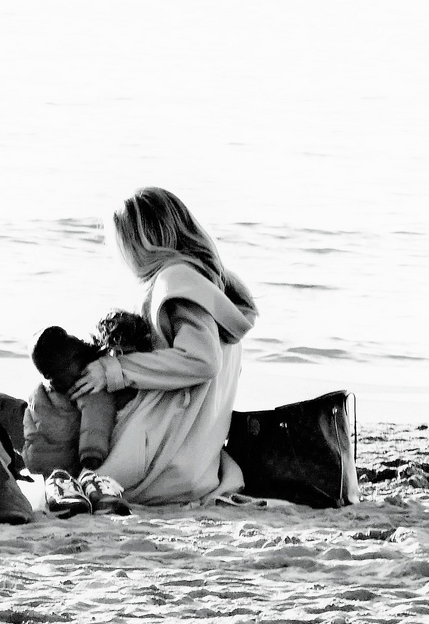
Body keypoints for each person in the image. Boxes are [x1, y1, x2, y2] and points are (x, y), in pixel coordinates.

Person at [25, 187, 260, 512]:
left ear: (141, 241)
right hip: (193, 463)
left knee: (46, 406)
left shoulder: (175, 280)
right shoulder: (216, 285)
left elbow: (203, 361)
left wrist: (114, 371)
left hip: (157, 462)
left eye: (121, 243)